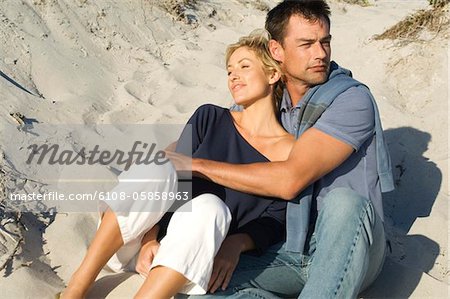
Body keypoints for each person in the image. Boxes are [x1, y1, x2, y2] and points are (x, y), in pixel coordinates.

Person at [172, 1, 395, 298]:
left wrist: (197, 165)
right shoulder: (264, 101)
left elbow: (290, 180)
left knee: (344, 203)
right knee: (200, 283)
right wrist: (237, 241)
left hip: (351, 244)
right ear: (277, 51)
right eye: (306, 44)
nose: (320, 54)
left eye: (325, 42)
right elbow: (194, 147)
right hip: (287, 248)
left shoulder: (351, 100)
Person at [61, 30, 294, 299]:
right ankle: (77, 287)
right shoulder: (211, 117)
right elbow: (173, 181)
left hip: (190, 259)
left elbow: (276, 219)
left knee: (211, 207)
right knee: (161, 167)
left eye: (244, 66)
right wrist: (150, 236)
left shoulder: (290, 151)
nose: (233, 76)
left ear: (273, 75)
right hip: (136, 237)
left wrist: (236, 244)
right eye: (229, 71)